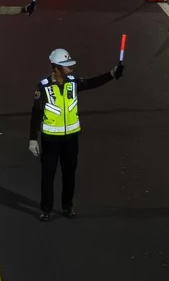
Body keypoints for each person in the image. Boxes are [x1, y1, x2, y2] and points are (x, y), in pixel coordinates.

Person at [28, 48, 122, 222]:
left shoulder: (73, 83)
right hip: (50, 139)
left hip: (71, 138)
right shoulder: (43, 87)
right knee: (48, 175)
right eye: (67, 66)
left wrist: (112, 73)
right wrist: (33, 138)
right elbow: (36, 114)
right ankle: (46, 209)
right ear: (56, 67)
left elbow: (93, 83)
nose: (71, 68)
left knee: (69, 174)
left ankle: (67, 207)